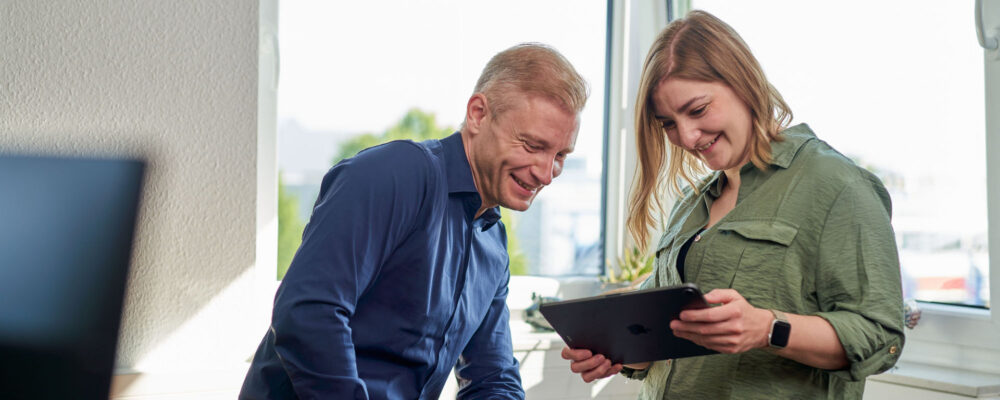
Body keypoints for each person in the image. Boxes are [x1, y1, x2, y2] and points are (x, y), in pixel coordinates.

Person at [561, 10, 904, 399]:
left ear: (743, 83)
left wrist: (767, 328)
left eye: (698, 109)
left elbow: (881, 339)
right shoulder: (690, 206)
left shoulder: (837, 186)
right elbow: (668, 343)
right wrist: (619, 352)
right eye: (668, 123)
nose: (687, 137)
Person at [240, 43, 588, 400]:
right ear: (479, 114)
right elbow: (307, 312)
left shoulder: (492, 243)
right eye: (532, 146)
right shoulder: (393, 176)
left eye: (560, 155)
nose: (547, 174)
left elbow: (493, 377)